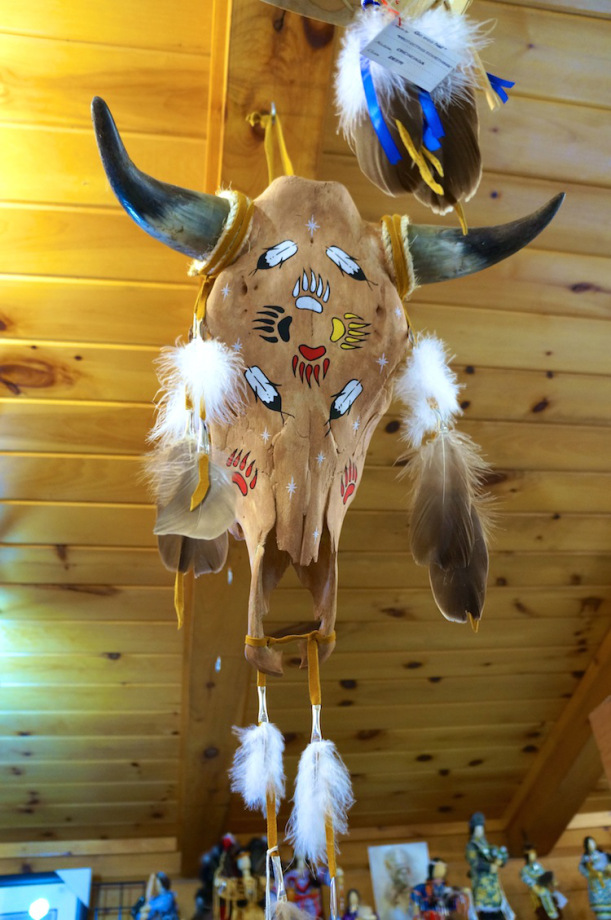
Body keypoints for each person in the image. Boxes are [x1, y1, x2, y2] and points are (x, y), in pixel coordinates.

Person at [465, 814, 514, 920]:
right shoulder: (471, 846)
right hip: (482, 890)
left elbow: (499, 856)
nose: (479, 831)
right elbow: (475, 862)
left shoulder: (489, 846)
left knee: (499, 915)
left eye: (481, 828)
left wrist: (501, 859)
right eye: (477, 828)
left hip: (495, 890)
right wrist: (489, 867)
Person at [520, 848, 567, 920]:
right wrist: (536, 887)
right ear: (527, 857)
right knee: (544, 896)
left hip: (545, 886)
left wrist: (551, 880)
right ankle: (551, 914)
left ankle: (553, 913)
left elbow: (543, 873)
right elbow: (528, 881)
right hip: (536, 891)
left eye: (534, 855)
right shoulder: (524, 870)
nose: (534, 857)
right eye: (531, 855)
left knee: (552, 898)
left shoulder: (538, 865)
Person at [578, 837, 611, 920]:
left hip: (607, 882)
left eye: (592, 842)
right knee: (602, 912)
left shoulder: (603, 855)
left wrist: (608, 869)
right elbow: (582, 869)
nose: (591, 845)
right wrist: (591, 874)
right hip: (596, 886)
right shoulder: (585, 858)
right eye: (589, 843)